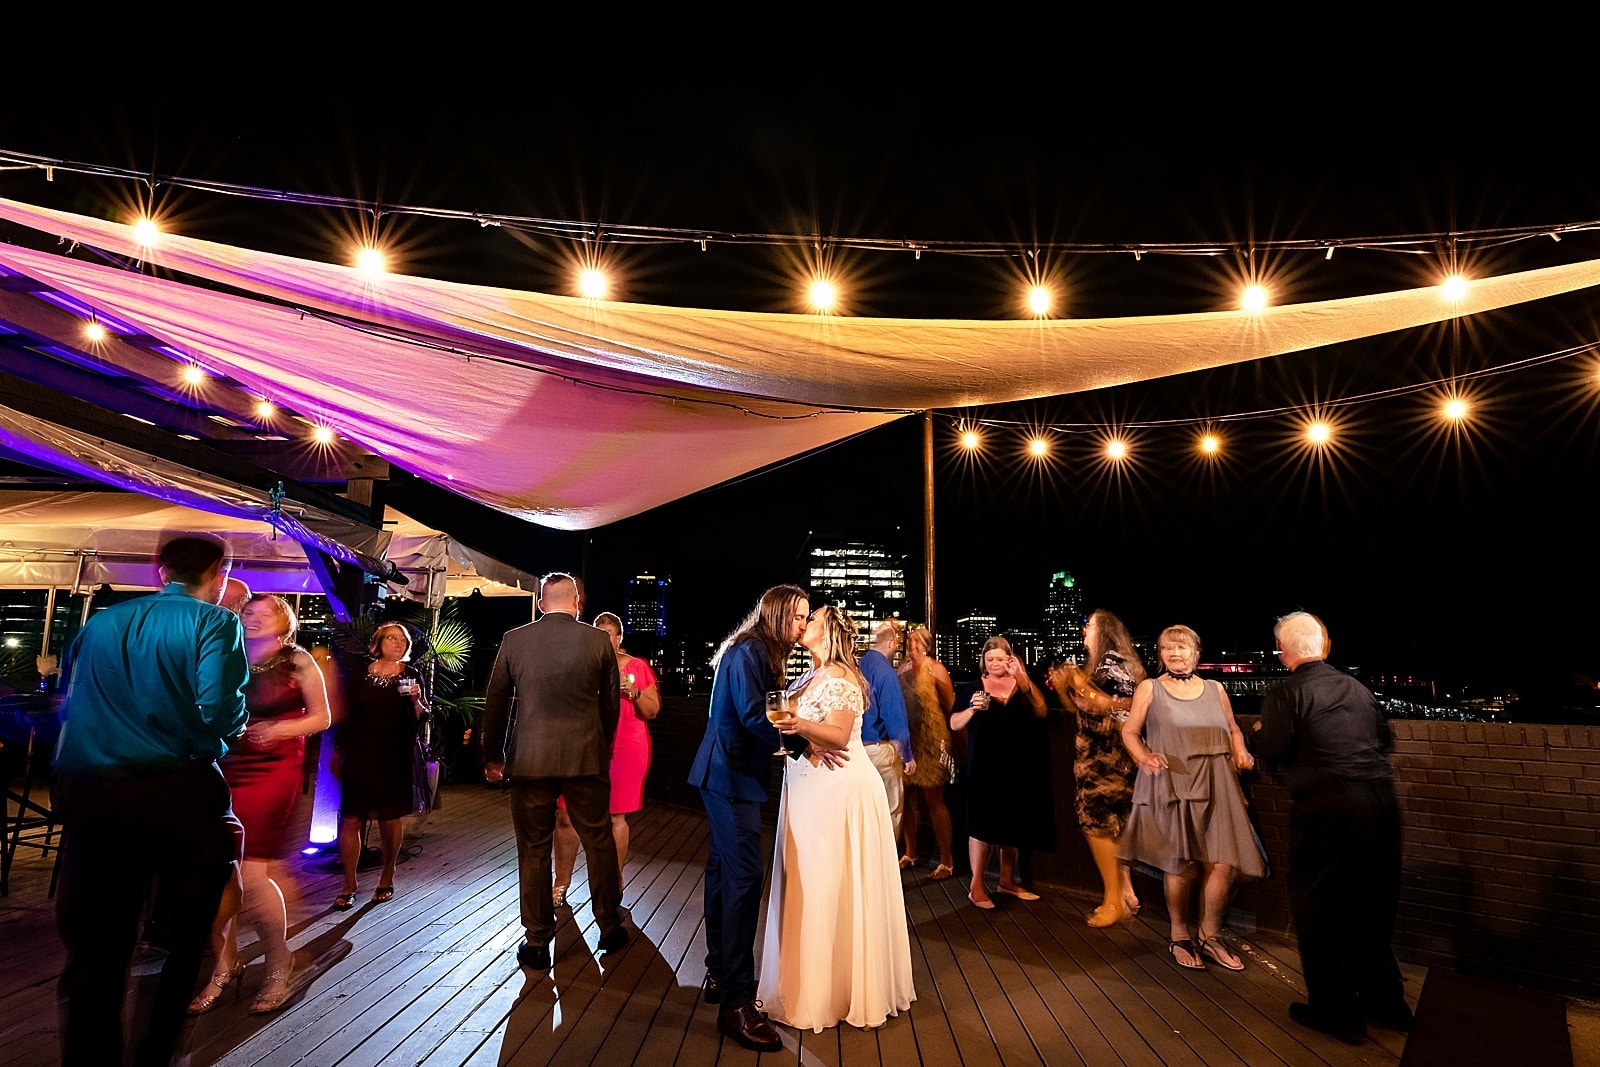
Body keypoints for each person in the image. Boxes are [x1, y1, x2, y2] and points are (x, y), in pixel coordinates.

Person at [51, 534, 248, 1067]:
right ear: (218, 571)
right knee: (178, 936)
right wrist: (223, 734)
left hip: (93, 795)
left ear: (162, 572)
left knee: (95, 944)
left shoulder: (101, 623)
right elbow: (219, 708)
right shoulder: (215, 622)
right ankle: (155, 1055)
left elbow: (70, 702)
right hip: (176, 790)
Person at [1253, 612, 1412, 1043]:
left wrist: (1258, 732)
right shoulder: (1357, 687)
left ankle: (1336, 1012)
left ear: (1285, 653)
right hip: (1381, 804)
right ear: (1325, 646)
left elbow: (1272, 749)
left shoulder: (1287, 691)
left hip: (1329, 809)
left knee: (1319, 905)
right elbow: (1385, 741)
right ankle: (1388, 1004)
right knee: (1373, 905)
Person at [758, 604, 916, 1031]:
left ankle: (836, 990)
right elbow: (802, 730)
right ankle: (805, 982)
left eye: (812, 620)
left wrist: (800, 725)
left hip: (836, 789)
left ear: (828, 633)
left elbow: (841, 735)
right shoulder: (808, 675)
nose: (804, 624)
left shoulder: (843, 678)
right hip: (808, 785)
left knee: (829, 881)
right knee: (806, 878)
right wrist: (803, 736)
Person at [189, 594, 332, 1015]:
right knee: (215, 873)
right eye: (248, 612)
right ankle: (224, 964)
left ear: (283, 621)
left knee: (251, 873)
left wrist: (282, 729)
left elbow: (321, 717)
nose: (252, 618)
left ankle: (277, 962)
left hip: (272, 768)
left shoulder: (297, 660)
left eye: (263, 613)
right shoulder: (227, 654)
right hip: (223, 765)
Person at [480, 573, 627, 972]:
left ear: (542, 603)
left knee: (533, 848)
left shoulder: (515, 639)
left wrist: (493, 755)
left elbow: (495, 703)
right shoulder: (598, 641)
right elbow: (610, 704)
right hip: (586, 759)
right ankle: (610, 926)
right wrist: (604, 747)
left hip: (530, 759)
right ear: (578, 603)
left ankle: (538, 940)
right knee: (598, 841)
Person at [686, 584, 810, 1053]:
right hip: (729, 776)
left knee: (723, 875)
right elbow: (755, 716)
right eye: (798, 617)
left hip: (727, 775)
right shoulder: (752, 651)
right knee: (743, 877)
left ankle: (720, 974)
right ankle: (736, 1003)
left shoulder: (756, 649)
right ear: (778, 615)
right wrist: (803, 742)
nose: (803, 625)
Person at [1118, 625, 1265, 972]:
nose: (1175, 654)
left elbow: (1232, 728)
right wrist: (1144, 756)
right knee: (1182, 863)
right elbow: (1129, 732)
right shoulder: (1150, 688)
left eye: (1182, 648)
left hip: (1217, 783)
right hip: (1173, 783)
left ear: (1197, 654)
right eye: (1168, 648)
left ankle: (1210, 935)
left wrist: (1240, 748)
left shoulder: (1215, 688)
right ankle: (1179, 933)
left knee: (1224, 863)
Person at [551, 610, 661, 906]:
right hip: (583, 747)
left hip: (626, 749)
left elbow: (653, 710)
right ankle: (560, 882)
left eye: (608, 635)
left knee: (615, 816)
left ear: (619, 638)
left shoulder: (636, 667)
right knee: (566, 813)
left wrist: (635, 692)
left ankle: (613, 881)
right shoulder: (580, 666)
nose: (601, 640)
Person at [1046, 608, 1144, 927]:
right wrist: (1064, 685)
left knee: (1097, 823)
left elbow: (1110, 706)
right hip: (1095, 757)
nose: (1084, 631)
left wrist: (1076, 681)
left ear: (1103, 631)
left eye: (1089, 626)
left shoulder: (1113, 663)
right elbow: (1083, 708)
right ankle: (1118, 895)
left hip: (1108, 760)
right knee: (1104, 826)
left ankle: (1114, 901)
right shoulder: (1100, 665)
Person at [332, 620, 430, 910]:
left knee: (390, 818)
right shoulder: (360, 675)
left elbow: (420, 716)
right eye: (391, 638)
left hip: (394, 754)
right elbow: (347, 714)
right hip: (360, 753)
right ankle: (349, 883)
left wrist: (417, 702)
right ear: (378, 643)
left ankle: (387, 875)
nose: (397, 643)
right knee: (352, 818)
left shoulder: (410, 675)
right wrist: (338, 750)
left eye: (402, 640)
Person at [951, 635, 1052, 909]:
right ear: (983, 661)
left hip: (1017, 763)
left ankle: (1006, 881)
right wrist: (971, 708)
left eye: (1000, 658)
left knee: (1013, 821)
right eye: (990, 659)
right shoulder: (974, 687)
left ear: (1011, 659)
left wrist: (1024, 679)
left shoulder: (1022, 686)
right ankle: (976, 885)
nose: (995, 663)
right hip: (983, 764)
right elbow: (954, 722)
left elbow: (1041, 710)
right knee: (981, 824)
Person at [897, 625, 957, 880]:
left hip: (933, 739)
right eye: (910, 640)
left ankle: (947, 861)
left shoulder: (937, 668)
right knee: (905, 797)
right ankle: (911, 853)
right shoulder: (902, 669)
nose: (913, 645)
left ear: (927, 644)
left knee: (934, 799)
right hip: (909, 740)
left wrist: (956, 745)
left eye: (918, 641)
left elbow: (951, 704)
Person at [857, 618, 914, 839]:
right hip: (880, 751)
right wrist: (907, 754)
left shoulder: (857, 666)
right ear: (891, 644)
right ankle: (886, 866)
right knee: (890, 811)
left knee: (865, 813)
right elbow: (894, 718)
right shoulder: (886, 673)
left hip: (858, 750)